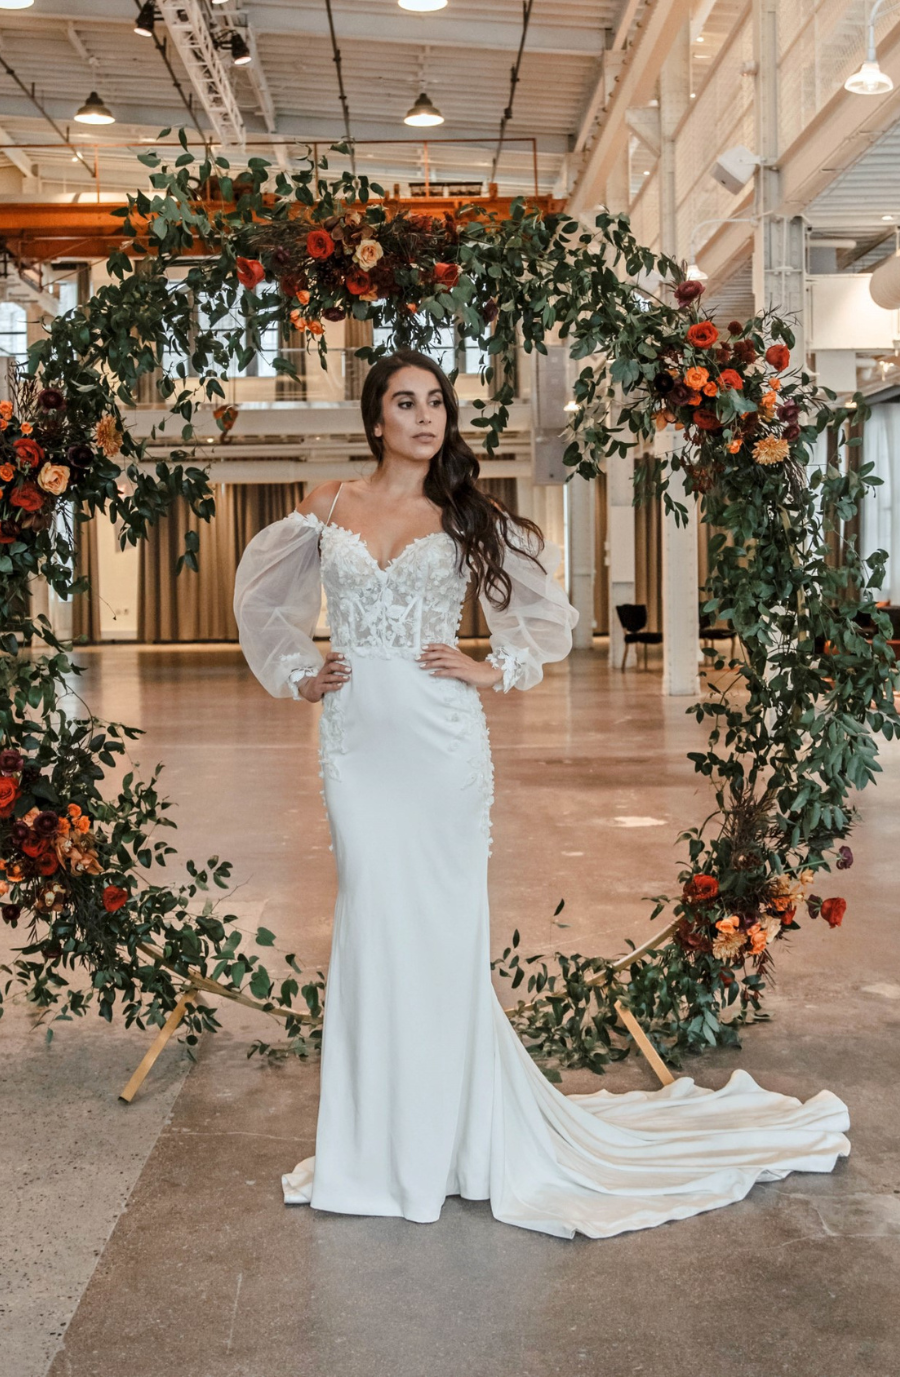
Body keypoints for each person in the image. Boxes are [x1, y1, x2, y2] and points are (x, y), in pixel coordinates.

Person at [233, 348, 850, 1240]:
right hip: (359, 743)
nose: (424, 416)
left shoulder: (469, 513)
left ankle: (456, 1141)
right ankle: (376, 1149)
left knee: (442, 934)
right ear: (375, 421)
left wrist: (491, 670)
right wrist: (302, 672)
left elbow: (546, 615)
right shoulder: (325, 503)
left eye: (436, 401)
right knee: (372, 916)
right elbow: (262, 604)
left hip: (443, 745)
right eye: (404, 403)